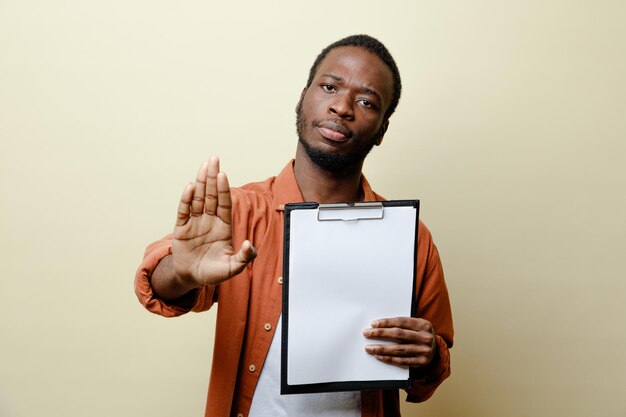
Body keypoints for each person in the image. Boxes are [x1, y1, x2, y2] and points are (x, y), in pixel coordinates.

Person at [135, 34, 453, 417]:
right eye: (330, 86)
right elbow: (157, 287)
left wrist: (429, 355)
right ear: (302, 99)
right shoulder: (238, 210)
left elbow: (431, 370)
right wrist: (181, 272)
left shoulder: (409, 236)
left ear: (382, 129)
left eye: (366, 101)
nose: (342, 107)